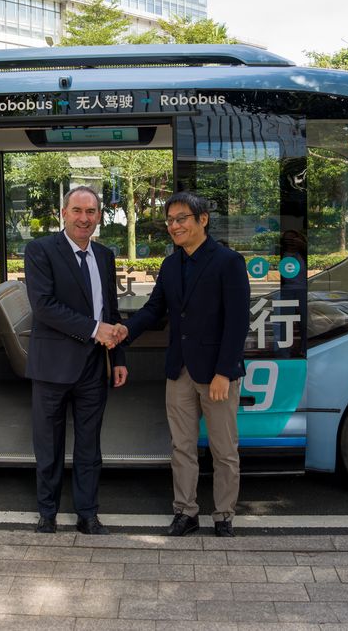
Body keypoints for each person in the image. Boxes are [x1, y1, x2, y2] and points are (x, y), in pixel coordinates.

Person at [116, 191, 250, 537]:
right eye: (170, 221)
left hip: (217, 373)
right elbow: (154, 311)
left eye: (182, 219)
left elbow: (237, 323)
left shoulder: (228, 261)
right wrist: (123, 332)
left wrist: (224, 371)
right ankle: (186, 512)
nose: (174, 226)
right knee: (181, 447)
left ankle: (223, 515)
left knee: (223, 450)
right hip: (179, 371)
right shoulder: (170, 265)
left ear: (202, 219)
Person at [23, 185, 128, 535]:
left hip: (94, 367)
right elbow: (44, 307)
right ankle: (47, 513)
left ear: (99, 216)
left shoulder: (105, 255)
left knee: (89, 445)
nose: (84, 219)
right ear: (63, 213)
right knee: (48, 446)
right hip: (52, 366)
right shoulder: (40, 250)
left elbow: (110, 311)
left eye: (91, 212)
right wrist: (94, 329)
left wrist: (119, 357)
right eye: (77, 211)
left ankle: (87, 514)